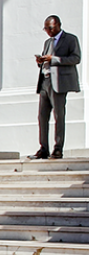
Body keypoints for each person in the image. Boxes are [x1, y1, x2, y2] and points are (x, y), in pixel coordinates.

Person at [31, 15, 81, 160]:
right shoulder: (47, 42)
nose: (48, 31)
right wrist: (40, 61)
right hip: (45, 82)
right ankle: (43, 148)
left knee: (59, 116)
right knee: (42, 117)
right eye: (45, 28)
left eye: (50, 28)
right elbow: (46, 62)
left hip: (59, 83)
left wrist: (54, 59)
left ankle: (58, 149)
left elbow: (76, 58)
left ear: (58, 25)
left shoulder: (71, 39)